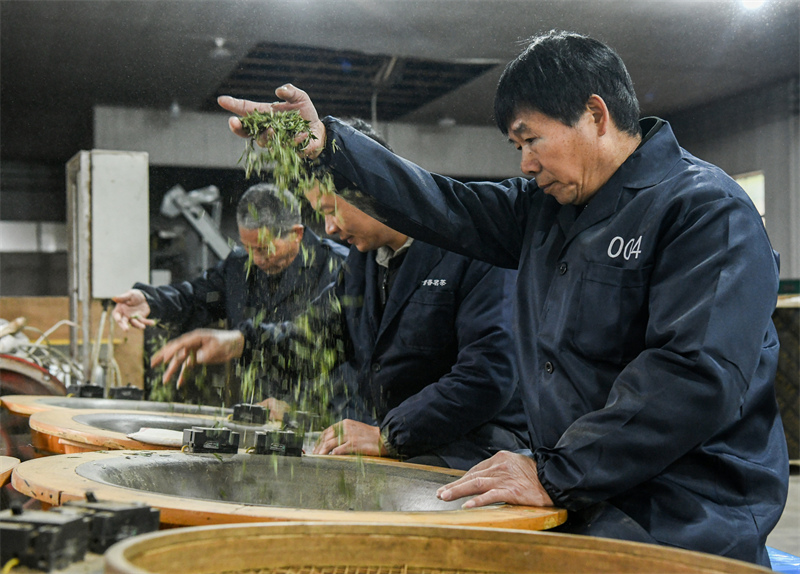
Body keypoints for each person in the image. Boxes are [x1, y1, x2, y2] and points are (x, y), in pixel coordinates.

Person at [215, 31, 789, 566]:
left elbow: (692, 376)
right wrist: (328, 150)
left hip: (686, 514)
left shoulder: (705, 211)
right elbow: (441, 203)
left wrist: (557, 473)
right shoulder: (546, 210)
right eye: (517, 145)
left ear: (595, 115)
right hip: (583, 496)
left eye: (532, 139)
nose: (525, 163)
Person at [152, 120, 529, 471]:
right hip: (404, 448)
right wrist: (239, 342)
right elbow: (317, 334)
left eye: (332, 211)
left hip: (474, 456)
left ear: (376, 191)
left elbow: (486, 376)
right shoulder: (364, 262)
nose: (329, 229)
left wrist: (387, 435)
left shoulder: (470, 251)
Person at [112, 182, 348, 401]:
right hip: (258, 410)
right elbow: (195, 297)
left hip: (323, 417)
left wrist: (296, 406)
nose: (256, 259)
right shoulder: (238, 266)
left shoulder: (339, 268)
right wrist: (152, 301)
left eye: (265, 249)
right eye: (248, 248)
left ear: (296, 233)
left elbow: (335, 350)